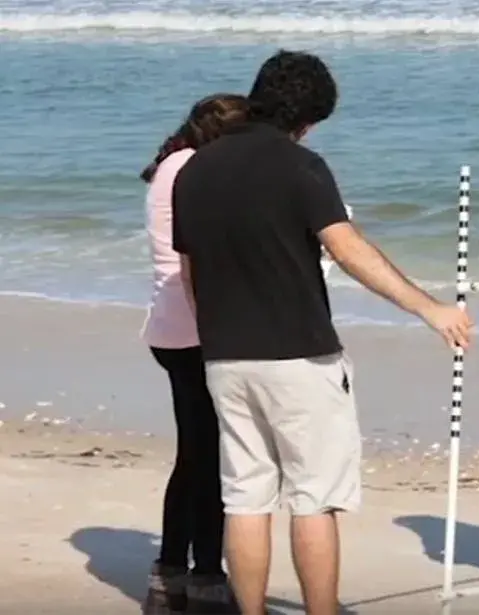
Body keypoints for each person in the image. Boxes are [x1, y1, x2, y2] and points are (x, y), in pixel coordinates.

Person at [170, 50, 473, 615]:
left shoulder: (194, 170)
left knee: (245, 497)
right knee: (314, 500)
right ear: (306, 119)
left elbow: (191, 273)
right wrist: (430, 308)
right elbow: (348, 248)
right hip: (299, 355)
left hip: (225, 356)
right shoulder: (300, 167)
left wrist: (215, 334)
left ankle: (251, 610)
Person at [139, 93, 250, 615]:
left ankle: (171, 571)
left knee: (196, 453)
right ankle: (203, 574)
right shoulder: (195, 168)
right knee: (207, 456)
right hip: (194, 324)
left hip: (173, 323)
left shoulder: (176, 163)